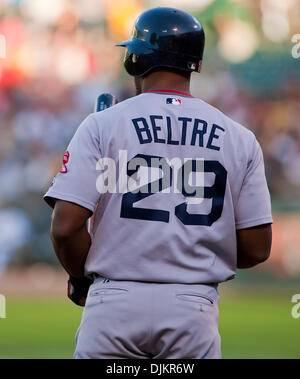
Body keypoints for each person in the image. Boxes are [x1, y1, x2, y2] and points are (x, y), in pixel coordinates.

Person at [44, 7, 272, 359]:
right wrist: (194, 247)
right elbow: (257, 248)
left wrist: (81, 276)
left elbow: (64, 228)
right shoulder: (240, 137)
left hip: (112, 303)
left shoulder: (103, 124)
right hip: (193, 308)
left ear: (137, 58)